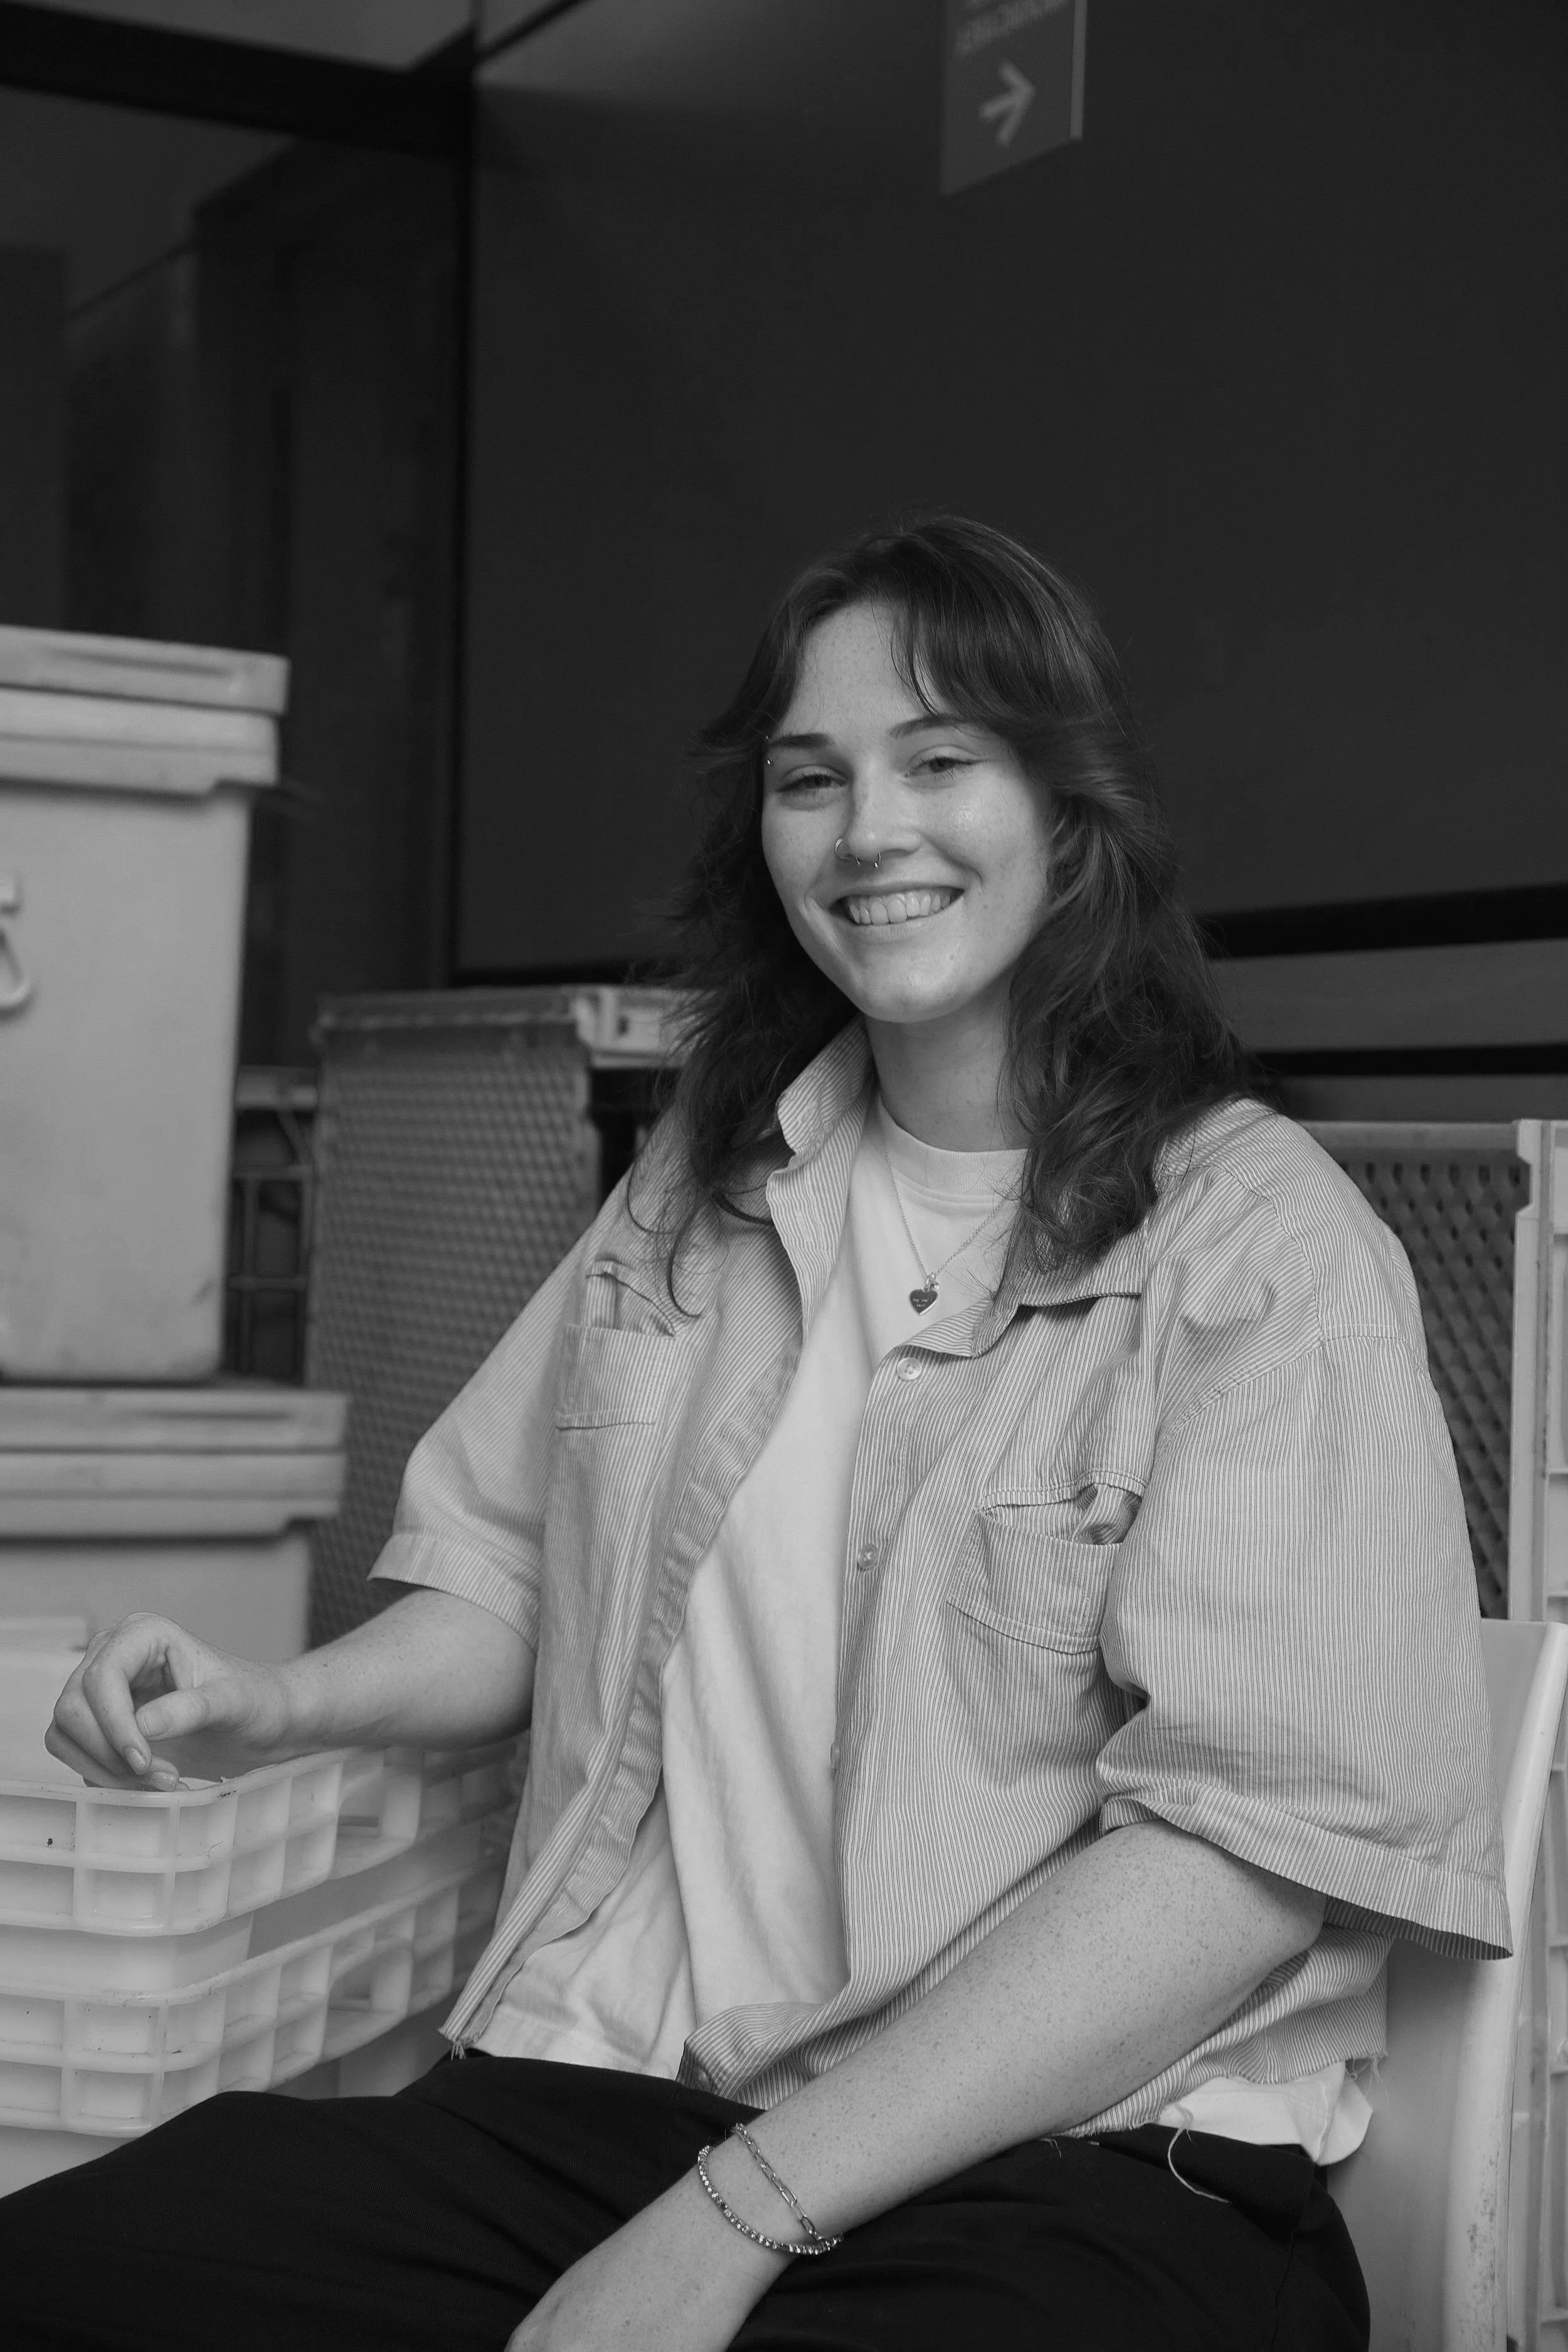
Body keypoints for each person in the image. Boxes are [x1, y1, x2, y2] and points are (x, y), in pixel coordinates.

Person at [5, 517, 1505, 2352]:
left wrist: (736, 2218)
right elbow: (520, 1575)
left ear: (1070, 807)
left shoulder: (1261, 1252)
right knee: (73, 2276)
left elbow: (1240, 1863)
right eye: (813, 779)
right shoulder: (706, 1187)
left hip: (1079, 2160)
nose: (871, 829)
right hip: (614, 2102)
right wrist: (268, 1705)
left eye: (942, 761)